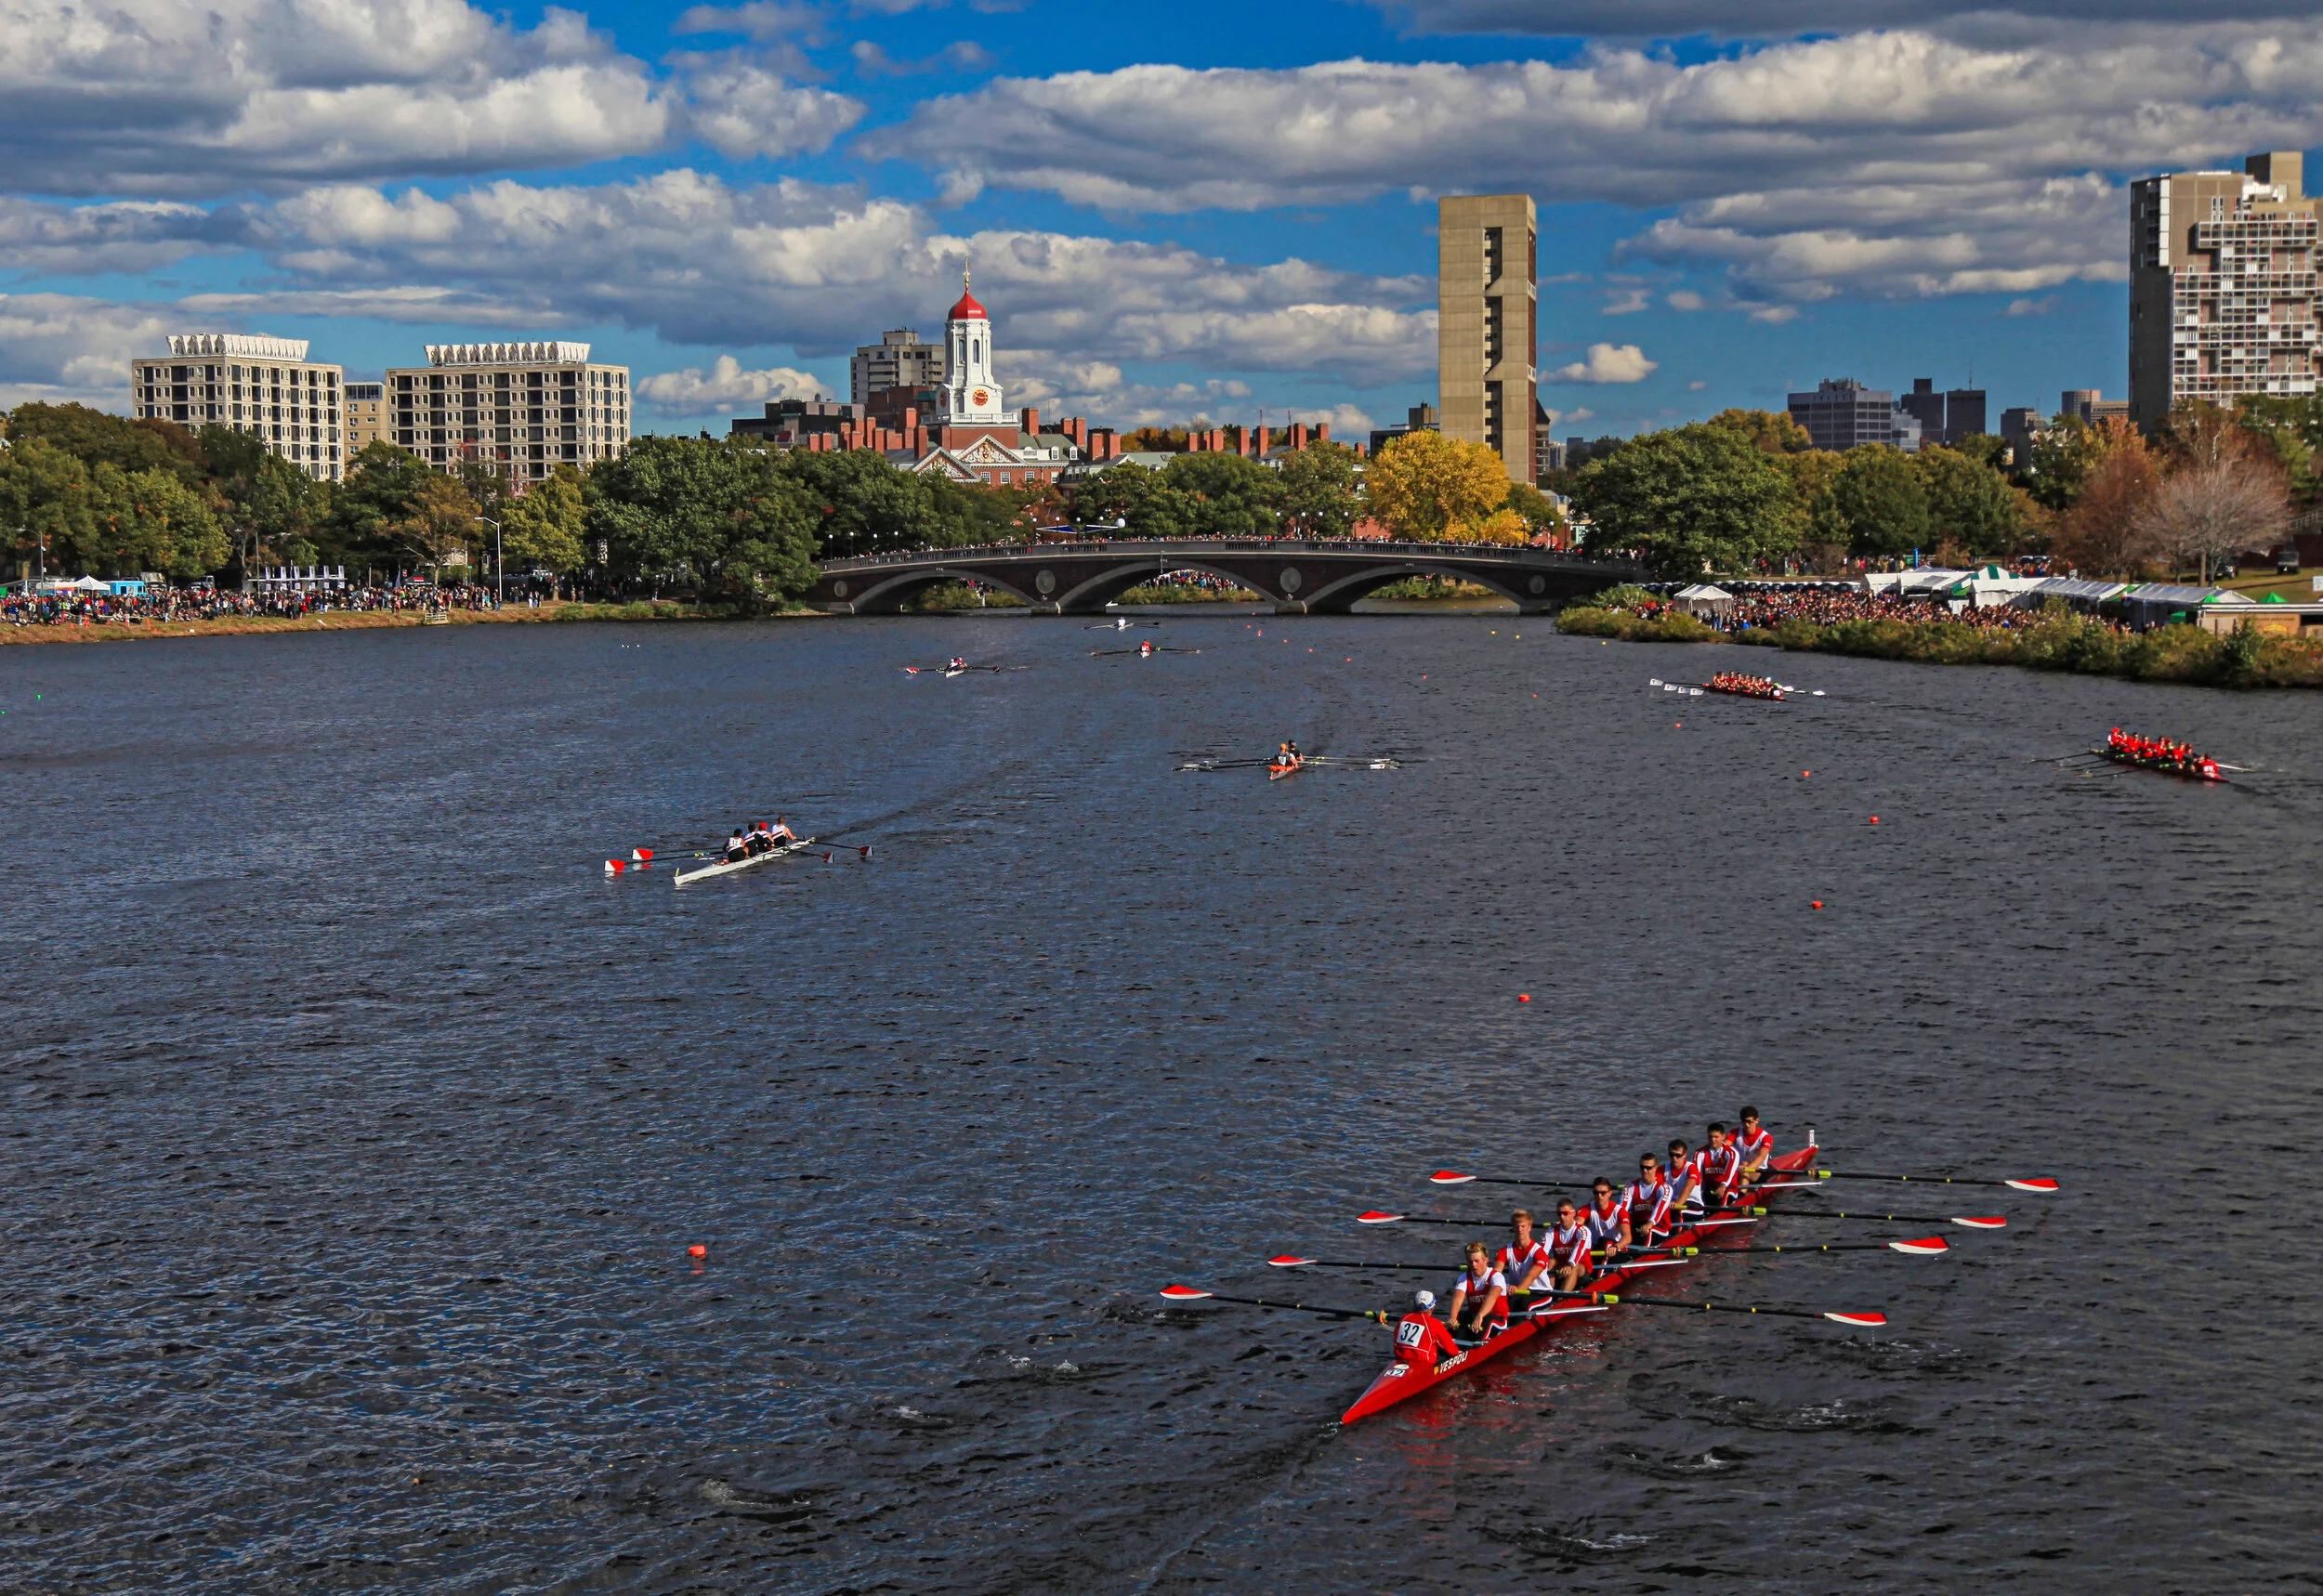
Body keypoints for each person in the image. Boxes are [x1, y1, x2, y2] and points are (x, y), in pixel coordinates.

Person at [1445, 1241, 1509, 1340]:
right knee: (1461, 1315)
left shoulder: (1496, 1277)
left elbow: (1492, 1297)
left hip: (1497, 1319)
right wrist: (1453, 1318)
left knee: (1487, 1320)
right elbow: (1457, 1299)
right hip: (1476, 1318)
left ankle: (1476, 1348)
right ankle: (1452, 1347)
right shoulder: (1464, 1278)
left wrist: (1480, 1315)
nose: (1474, 1265)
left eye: (1477, 1261)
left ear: (1486, 1260)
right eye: (1470, 1262)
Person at [1493, 1210, 1549, 1310]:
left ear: (1530, 1228)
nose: (1520, 1230)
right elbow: (1496, 1273)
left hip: (1540, 1293)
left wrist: (1517, 1290)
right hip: (1517, 1292)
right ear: (1513, 1228)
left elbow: (1530, 1277)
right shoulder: (1504, 1251)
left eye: (1523, 1226)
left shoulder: (1539, 1252)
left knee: (1525, 1305)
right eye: (1517, 1226)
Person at [1395, 1290, 1462, 1370]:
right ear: (1432, 1308)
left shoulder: (1404, 1319)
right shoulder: (1434, 1323)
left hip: (1401, 1359)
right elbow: (1453, 1351)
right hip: (1423, 1363)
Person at [1622, 1155, 1673, 1249]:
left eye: (1648, 1168)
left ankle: (1641, 1259)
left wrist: (1650, 1223)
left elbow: (1659, 1210)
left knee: (1648, 1231)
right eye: (1642, 1167)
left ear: (1655, 1169)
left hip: (1659, 1227)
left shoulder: (1664, 1189)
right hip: (1638, 1226)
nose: (1644, 1170)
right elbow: (1621, 1210)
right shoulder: (1630, 1187)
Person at [1582, 1176, 1630, 1261]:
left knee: (1604, 1241)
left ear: (1610, 1193)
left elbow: (1627, 1237)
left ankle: (1597, 1273)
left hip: (1617, 1251)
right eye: (1596, 1193)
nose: (1599, 1196)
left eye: (1603, 1193)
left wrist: (1616, 1246)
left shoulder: (1620, 1211)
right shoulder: (1586, 1209)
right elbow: (1576, 1224)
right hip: (1595, 1250)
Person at [1701, 1122, 1743, 1210]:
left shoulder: (1731, 1153)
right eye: (1710, 1136)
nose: (1713, 1140)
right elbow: (1696, 1175)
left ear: (1723, 1137)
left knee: (1723, 1199)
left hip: (1728, 1188)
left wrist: (1723, 1185)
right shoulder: (1700, 1153)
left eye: (1716, 1137)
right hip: (1710, 1188)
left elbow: (1729, 1172)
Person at [1667, 1137, 1707, 1224]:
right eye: (1671, 1155)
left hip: (1694, 1205)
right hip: (1672, 1205)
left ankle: (1676, 1236)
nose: (1674, 1158)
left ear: (1685, 1155)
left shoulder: (1691, 1168)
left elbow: (1688, 1188)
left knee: (1678, 1211)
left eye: (1678, 1155)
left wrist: (1678, 1203)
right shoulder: (1663, 1169)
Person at [1736, 1107, 1774, 1184]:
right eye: (1744, 1121)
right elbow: (1725, 1146)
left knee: (1745, 1166)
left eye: (1749, 1121)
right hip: (1741, 1169)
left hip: (1759, 1171)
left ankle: (1741, 1195)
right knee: (1744, 1164)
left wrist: (1747, 1168)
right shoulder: (1735, 1133)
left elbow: (1761, 1157)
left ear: (1757, 1120)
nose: (1746, 1125)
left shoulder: (1765, 1137)